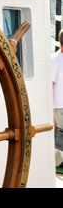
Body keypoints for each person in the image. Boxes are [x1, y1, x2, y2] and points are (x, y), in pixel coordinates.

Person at [52, 30, 63, 172]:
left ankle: (53, 164)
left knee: (59, 140)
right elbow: (51, 85)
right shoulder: (54, 60)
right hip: (59, 106)